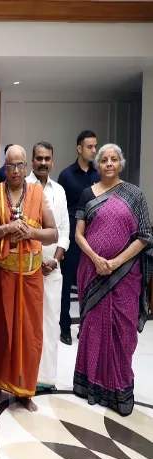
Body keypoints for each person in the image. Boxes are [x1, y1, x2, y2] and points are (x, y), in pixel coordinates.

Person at [73, 143, 152, 417]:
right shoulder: (87, 194)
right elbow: (78, 235)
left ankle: (119, 388)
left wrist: (116, 262)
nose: (108, 163)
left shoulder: (135, 196)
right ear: (97, 165)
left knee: (122, 332)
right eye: (104, 159)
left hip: (125, 276)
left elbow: (145, 236)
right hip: (92, 271)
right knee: (93, 328)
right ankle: (90, 385)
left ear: (121, 164)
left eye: (113, 159)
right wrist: (96, 259)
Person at [0, 144, 58, 412]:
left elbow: (53, 234)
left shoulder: (37, 194)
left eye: (19, 165)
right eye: (10, 166)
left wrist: (30, 233)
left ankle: (25, 391)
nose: (15, 171)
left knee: (29, 334)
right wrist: (6, 228)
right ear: (4, 168)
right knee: (1, 330)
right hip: (2, 274)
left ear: (26, 167)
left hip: (30, 277)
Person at [26, 141, 70, 393]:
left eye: (47, 159)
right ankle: (26, 375)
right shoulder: (24, 187)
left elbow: (63, 229)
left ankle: (46, 379)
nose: (43, 162)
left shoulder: (59, 191)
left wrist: (56, 259)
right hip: (27, 266)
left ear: (52, 161)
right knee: (29, 322)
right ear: (33, 161)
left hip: (53, 267)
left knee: (51, 322)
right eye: (39, 158)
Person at [58, 130, 100, 345]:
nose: (94, 150)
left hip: (93, 235)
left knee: (89, 283)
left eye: (95, 146)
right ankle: (65, 327)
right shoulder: (66, 175)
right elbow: (59, 209)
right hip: (72, 234)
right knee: (67, 283)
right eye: (90, 146)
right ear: (79, 148)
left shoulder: (98, 175)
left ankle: (86, 326)